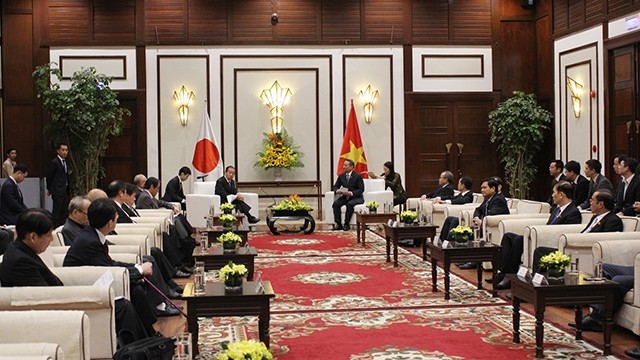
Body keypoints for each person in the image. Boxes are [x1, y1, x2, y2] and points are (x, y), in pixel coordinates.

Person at [0, 208, 153, 342]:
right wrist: (79, 295)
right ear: (33, 237)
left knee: (127, 298)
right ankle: (143, 348)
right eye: (48, 235)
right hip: (52, 313)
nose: (52, 239)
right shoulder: (20, 261)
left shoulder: (21, 250)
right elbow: (41, 298)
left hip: (58, 297)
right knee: (123, 308)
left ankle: (148, 343)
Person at [63, 198, 181, 323]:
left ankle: (157, 313)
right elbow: (107, 267)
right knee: (136, 288)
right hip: (85, 283)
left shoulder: (92, 234)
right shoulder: (91, 241)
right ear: (110, 223)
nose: (118, 217)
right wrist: (139, 270)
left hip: (96, 274)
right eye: (116, 216)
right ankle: (151, 328)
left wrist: (137, 266)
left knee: (142, 273)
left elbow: (108, 263)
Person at [492, 181, 581, 290]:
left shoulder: (573, 212)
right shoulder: (557, 209)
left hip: (551, 242)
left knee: (519, 240)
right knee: (508, 237)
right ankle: (504, 273)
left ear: (561, 194)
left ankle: (511, 277)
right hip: (542, 237)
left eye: (554, 192)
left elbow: (566, 232)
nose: (552, 195)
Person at [532, 189, 623, 274]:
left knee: (542, 252)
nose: (590, 204)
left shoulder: (613, 220)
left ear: (600, 204)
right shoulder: (595, 217)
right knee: (540, 251)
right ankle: (538, 280)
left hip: (584, 250)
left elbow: (606, 241)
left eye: (592, 201)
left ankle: (541, 284)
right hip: (577, 247)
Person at [446, 177, 510, 269]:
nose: (482, 190)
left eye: (484, 188)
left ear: (493, 189)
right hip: (484, 226)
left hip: (494, 228)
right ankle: (460, 257)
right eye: (481, 188)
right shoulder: (488, 199)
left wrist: (482, 220)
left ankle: (471, 260)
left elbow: (493, 214)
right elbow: (478, 210)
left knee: (469, 233)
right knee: (465, 231)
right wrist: (476, 217)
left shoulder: (498, 199)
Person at [331, 159, 365, 231]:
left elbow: (361, 189)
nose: (343, 167)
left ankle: (346, 224)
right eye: (343, 165)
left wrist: (352, 193)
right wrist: (337, 190)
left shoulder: (357, 176)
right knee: (336, 204)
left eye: (345, 165)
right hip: (345, 196)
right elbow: (335, 186)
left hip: (356, 197)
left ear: (351, 167)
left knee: (350, 204)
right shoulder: (341, 176)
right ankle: (338, 224)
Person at [46, 142, 70, 227]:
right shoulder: (54, 162)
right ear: (58, 151)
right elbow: (50, 176)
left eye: (66, 150)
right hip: (57, 190)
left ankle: (62, 226)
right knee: (57, 211)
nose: (65, 152)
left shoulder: (66, 162)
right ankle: (55, 227)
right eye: (63, 150)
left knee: (63, 211)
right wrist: (49, 188)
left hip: (64, 190)